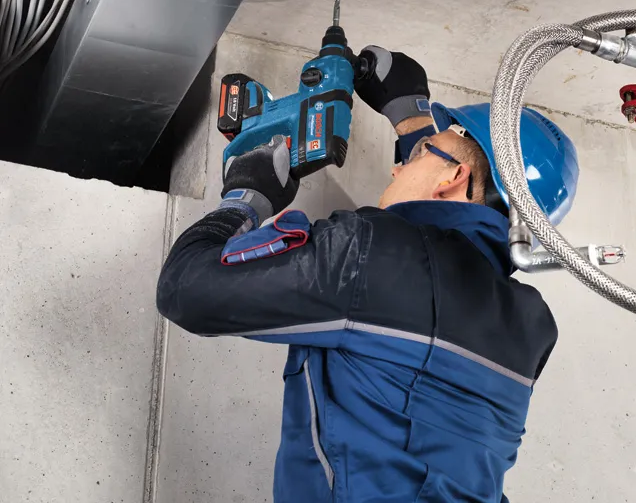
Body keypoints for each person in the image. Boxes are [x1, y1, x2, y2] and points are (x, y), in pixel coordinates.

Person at [156, 46, 579, 502]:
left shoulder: (367, 257)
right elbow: (435, 274)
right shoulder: (531, 325)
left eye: (417, 156)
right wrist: (412, 118)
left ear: (452, 177)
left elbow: (186, 288)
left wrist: (245, 196)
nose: (398, 166)